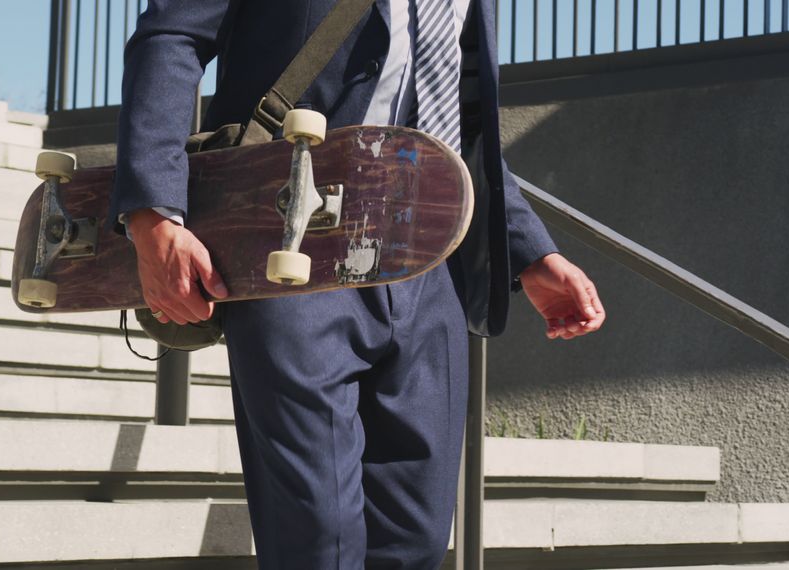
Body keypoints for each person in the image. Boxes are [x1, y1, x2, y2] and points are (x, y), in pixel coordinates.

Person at [110, 0, 605, 568]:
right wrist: (152, 211)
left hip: (429, 265)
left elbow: (457, 121)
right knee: (318, 540)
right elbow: (172, 34)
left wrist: (528, 252)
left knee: (414, 541)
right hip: (295, 249)